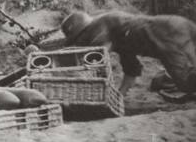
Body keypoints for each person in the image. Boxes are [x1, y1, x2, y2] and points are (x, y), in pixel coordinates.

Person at [61, 10, 196, 99]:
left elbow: (99, 55)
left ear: (84, 31)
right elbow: (131, 69)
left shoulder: (99, 26)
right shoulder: (119, 36)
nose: (78, 43)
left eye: (77, 39)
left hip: (169, 33)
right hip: (174, 25)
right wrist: (119, 96)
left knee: (184, 80)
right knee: (180, 79)